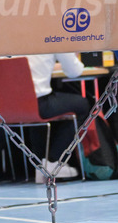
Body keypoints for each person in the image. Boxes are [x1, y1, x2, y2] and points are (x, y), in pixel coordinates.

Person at [27, 52, 86, 181]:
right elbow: (74, 71)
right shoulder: (52, 40)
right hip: (39, 103)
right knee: (82, 105)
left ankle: (40, 166)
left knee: (35, 114)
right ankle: (54, 161)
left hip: (5, 106)